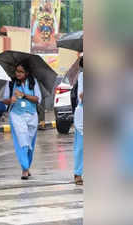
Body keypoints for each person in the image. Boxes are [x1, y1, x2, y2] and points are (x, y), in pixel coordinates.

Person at [2, 60, 42, 180]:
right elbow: (4, 100)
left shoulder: (33, 82)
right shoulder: (10, 82)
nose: (18, 74)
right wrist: (11, 100)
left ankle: (27, 166)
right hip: (17, 115)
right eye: (17, 71)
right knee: (22, 140)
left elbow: (37, 99)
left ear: (27, 72)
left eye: (21, 72)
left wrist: (24, 96)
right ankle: (24, 168)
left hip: (31, 115)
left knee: (29, 143)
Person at [73, 57, 83, 185]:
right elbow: (81, 96)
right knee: (81, 146)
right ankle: (78, 173)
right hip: (83, 114)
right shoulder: (82, 76)